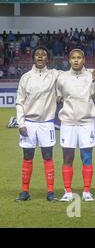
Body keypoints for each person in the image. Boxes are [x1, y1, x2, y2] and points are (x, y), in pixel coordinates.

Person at [15, 47, 58, 202]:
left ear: (48, 59)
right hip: (29, 123)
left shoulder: (55, 75)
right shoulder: (25, 78)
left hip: (46, 123)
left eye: (43, 54)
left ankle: (51, 192)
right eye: (37, 55)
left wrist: (91, 72)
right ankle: (25, 191)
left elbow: (74, 73)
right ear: (33, 58)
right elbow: (19, 102)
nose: (40, 57)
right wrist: (21, 124)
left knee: (48, 156)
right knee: (27, 157)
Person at [56, 49, 95, 202]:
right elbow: (58, 98)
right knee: (68, 157)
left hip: (86, 123)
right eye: (73, 58)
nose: (76, 60)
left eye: (79, 57)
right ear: (69, 60)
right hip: (68, 123)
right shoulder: (62, 78)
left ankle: (86, 191)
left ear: (84, 60)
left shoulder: (91, 76)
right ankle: (67, 191)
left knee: (86, 157)